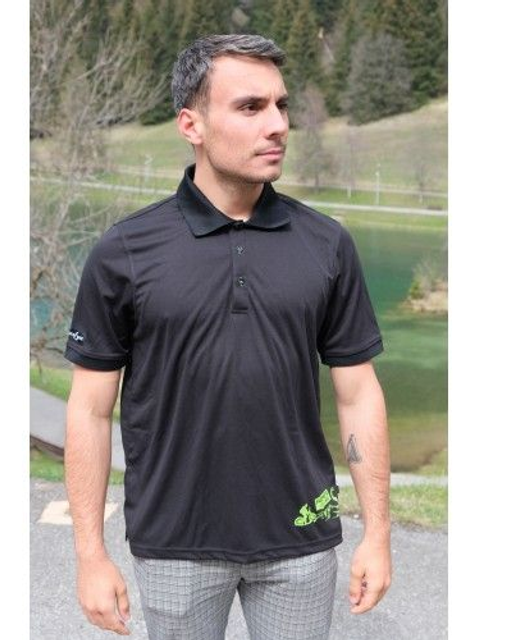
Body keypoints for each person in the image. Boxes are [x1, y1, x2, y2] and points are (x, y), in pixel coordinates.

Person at [64, 34, 391, 639]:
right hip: (175, 541)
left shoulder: (326, 244)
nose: (278, 125)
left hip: (300, 535)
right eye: (250, 107)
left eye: (281, 105)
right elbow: (89, 410)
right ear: (191, 124)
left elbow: (358, 393)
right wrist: (90, 554)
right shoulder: (125, 251)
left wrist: (377, 532)